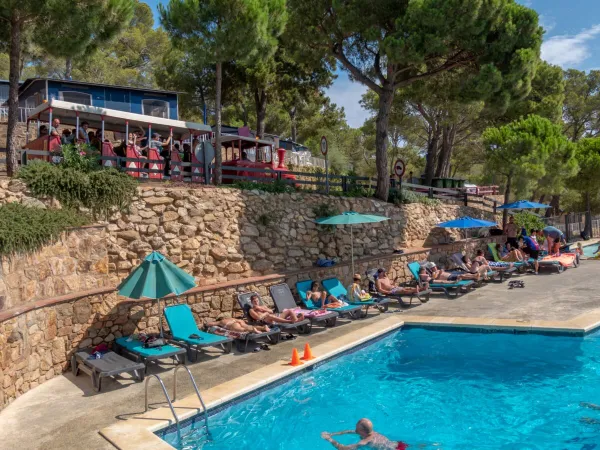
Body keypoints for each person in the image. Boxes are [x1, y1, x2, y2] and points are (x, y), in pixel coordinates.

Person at [321, 418, 407, 450]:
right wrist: (332, 434)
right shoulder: (371, 432)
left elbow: (343, 448)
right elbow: (349, 431)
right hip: (398, 444)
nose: (354, 429)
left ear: (362, 431)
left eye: (357, 428)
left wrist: (329, 439)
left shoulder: (363, 442)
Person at [204, 317, 270, 334]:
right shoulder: (231, 318)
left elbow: (210, 324)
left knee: (243, 330)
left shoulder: (221, 321)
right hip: (240, 321)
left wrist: (206, 324)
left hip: (233, 324)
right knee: (248, 326)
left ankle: (253, 330)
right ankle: (263, 327)